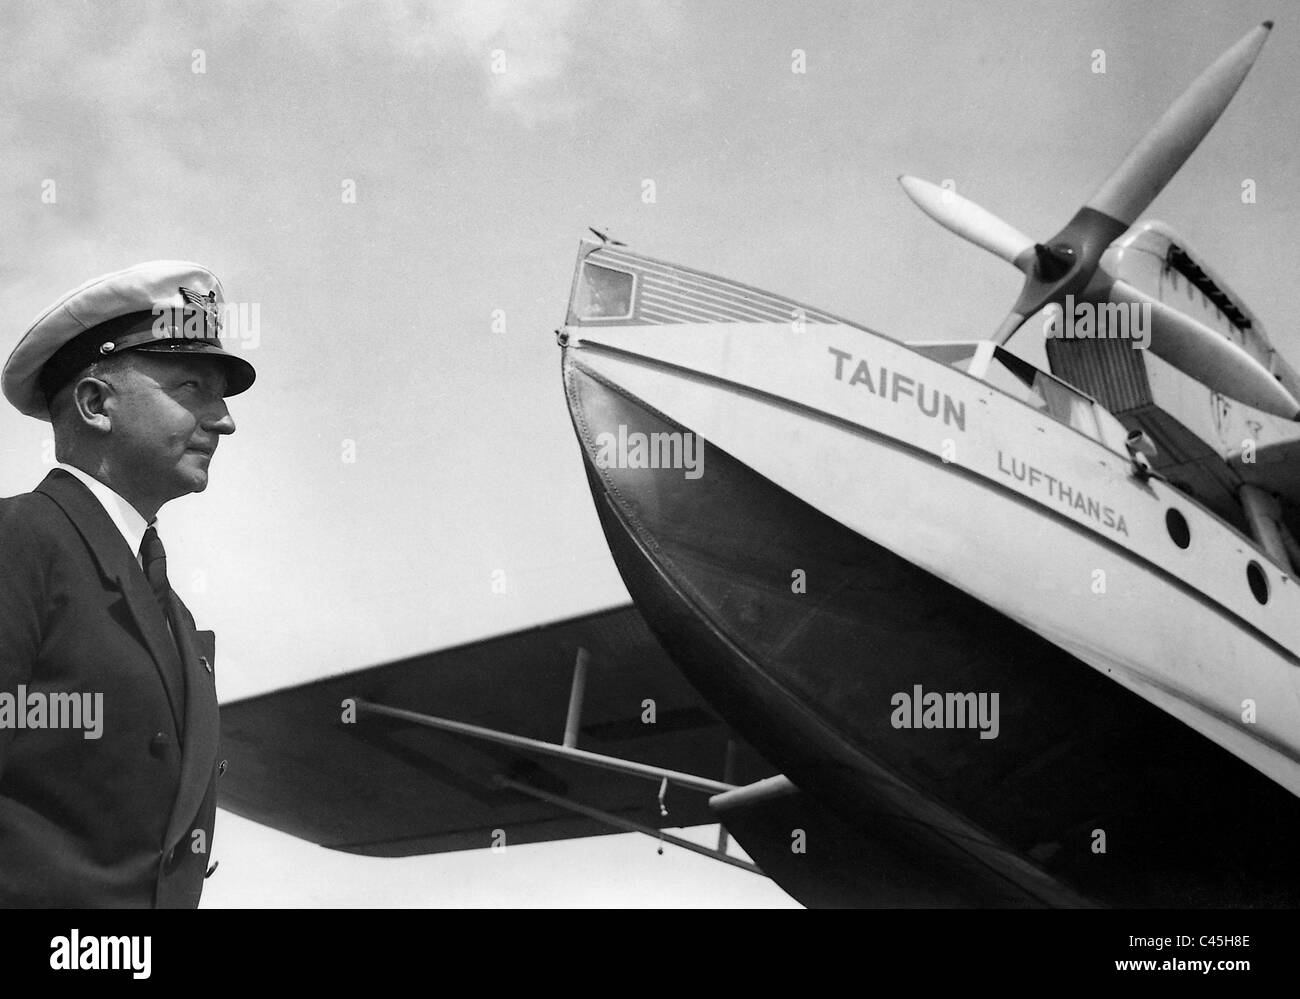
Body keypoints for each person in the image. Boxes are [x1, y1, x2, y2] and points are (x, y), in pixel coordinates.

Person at [0, 261, 255, 907]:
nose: (222, 419)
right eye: (191, 387)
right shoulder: (21, 541)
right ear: (94, 404)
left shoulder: (175, 614)